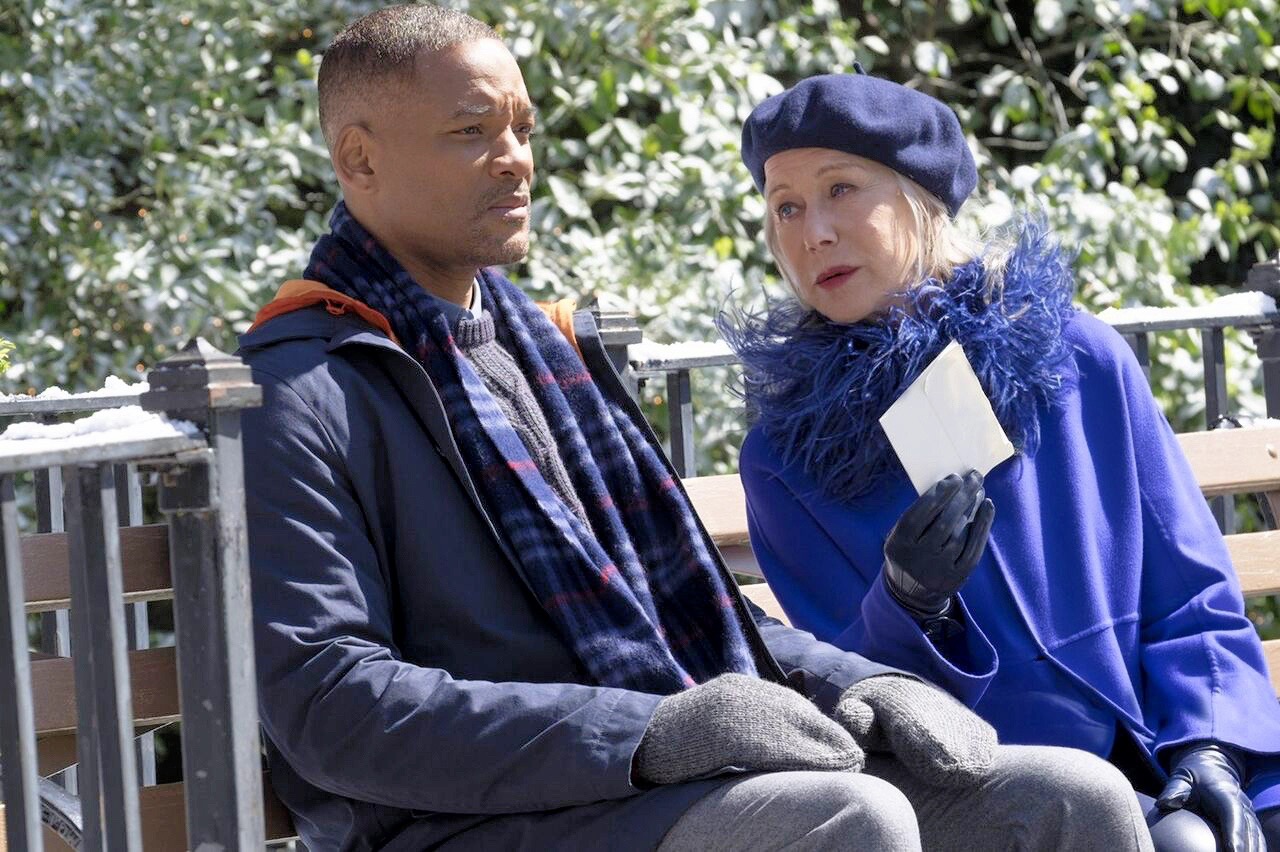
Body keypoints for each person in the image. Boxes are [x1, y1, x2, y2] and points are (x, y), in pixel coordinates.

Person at [237, 6, 1153, 850]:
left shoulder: (540, 350)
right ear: (359, 160)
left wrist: (863, 682)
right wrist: (650, 733)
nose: (515, 159)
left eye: (522, 128)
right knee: (850, 818)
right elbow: (329, 706)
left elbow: (694, 612)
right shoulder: (298, 389)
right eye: (471, 132)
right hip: (472, 821)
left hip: (644, 780)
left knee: (1070, 798)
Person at [723, 69, 1280, 852]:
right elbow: (846, 702)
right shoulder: (786, 459)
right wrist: (907, 605)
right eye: (785, 206)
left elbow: (1190, 597)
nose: (811, 232)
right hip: (991, 790)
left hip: (1173, 739)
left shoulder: (1080, 358)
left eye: (840, 189)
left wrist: (1213, 745)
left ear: (921, 197)